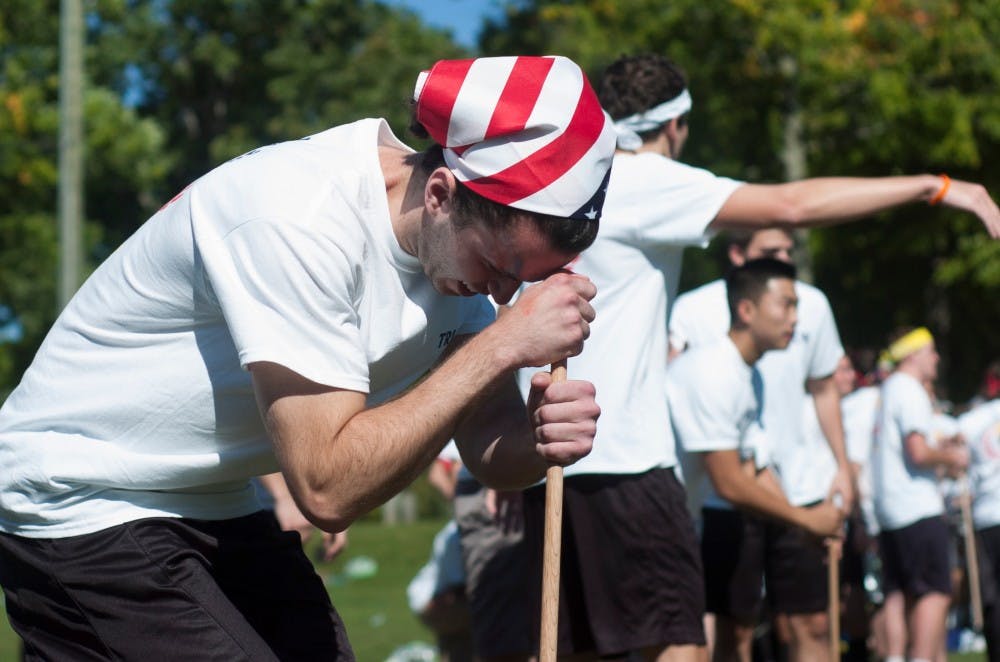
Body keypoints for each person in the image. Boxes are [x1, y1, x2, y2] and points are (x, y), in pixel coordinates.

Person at [0, 55, 616, 660]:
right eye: (501, 267)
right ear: (440, 193)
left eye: (525, 283)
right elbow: (327, 489)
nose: (504, 297)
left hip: (209, 498)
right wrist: (503, 344)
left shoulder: (459, 267)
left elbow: (488, 448)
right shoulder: (298, 216)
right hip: (79, 491)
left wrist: (537, 441)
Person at [506, 52, 1000, 662]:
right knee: (680, 645)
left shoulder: (560, 180)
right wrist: (935, 186)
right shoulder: (643, 177)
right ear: (675, 125)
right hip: (626, 460)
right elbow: (792, 206)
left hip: (544, 459)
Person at [667, 258, 844, 662]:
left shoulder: (747, 375)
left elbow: (755, 468)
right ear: (746, 311)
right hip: (650, 525)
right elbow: (729, 481)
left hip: (678, 527)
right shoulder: (712, 370)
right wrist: (805, 520)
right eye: (786, 305)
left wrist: (810, 525)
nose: (796, 320)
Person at [871, 327, 970, 662]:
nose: (936, 357)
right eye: (931, 350)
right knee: (935, 592)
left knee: (899, 593)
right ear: (913, 354)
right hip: (916, 508)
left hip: (890, 511)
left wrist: (939, 447)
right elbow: (917, 452)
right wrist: (952, 458)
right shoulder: (910, 390)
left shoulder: (889, 389)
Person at [959, 392, 1000, 660]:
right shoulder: (976, 418)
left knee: (993, 595)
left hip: (986, 516)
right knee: (992, 596)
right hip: (987, 514)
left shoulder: (973, 419)